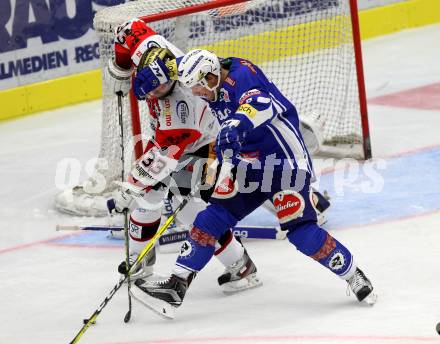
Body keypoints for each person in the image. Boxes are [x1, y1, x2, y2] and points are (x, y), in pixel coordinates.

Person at [130, 49, 377, 319]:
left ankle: (354, 275)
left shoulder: (243, 76)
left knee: (301, 232)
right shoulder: (207, 72)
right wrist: (159, 71)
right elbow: (178, 65)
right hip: (248, 167)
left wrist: (235, 125)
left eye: (199, 87)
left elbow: (260, 103)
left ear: (212, 77)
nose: (197, 94)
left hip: (284, 165)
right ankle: (175, 287)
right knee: (208, 221)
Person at [104, 19, 262, 293]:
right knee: (151, 196)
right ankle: (142, 258)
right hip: (171, 141)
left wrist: (131, 186)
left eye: (156, 91)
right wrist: (121, 67)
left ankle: (239, 265)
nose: (152, 95)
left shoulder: (183, 111)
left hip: (206, 145)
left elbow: (161, 159)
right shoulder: (152, 50)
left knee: (186, 209)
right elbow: (128, 29)